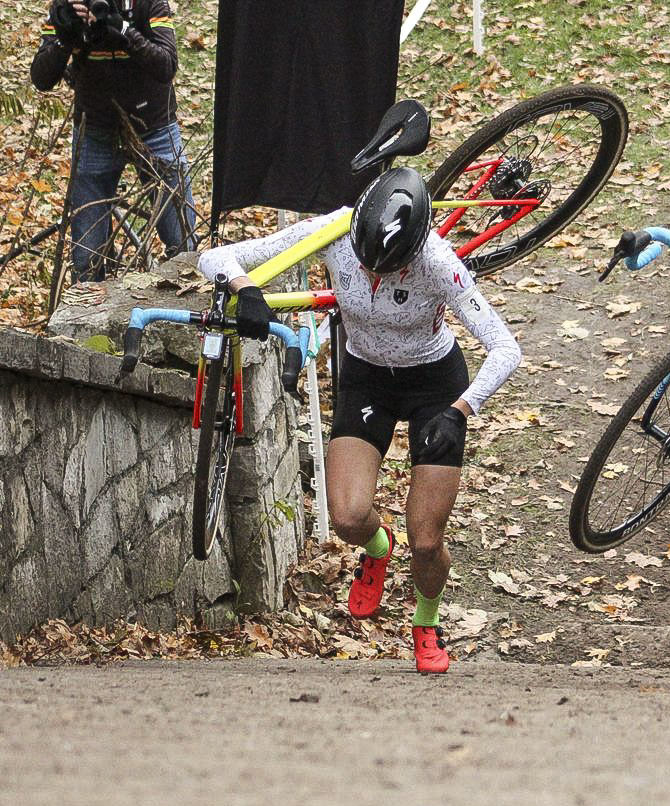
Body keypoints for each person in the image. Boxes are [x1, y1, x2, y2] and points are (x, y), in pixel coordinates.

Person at [198, 167, 522, 674]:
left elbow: (506, 348)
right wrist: (246, 289)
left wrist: (462, 412)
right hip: (366, 377)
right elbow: (215, 255)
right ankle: (377, 548)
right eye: (367, 266)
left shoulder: (439, 262)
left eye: (387, 272)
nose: (373, 278)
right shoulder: (335, 229)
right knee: (347, 518)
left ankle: (425, 622)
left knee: (428, 540)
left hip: (435, 385)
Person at [31, 0, 196, 285]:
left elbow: (167, 65)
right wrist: (64, 40)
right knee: (86, 260)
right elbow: (42, 78)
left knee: (184, 248)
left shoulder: (148, 4)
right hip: (95, 130)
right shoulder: (70, 6)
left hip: (154, 129)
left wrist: (124, 30)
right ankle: (87, 322)